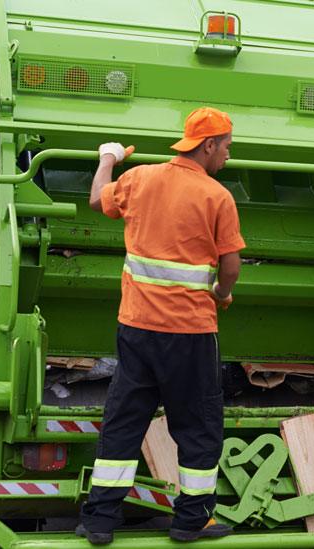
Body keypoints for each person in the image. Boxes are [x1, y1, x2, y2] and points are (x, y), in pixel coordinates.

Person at [76, 107, 244, 545]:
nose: (228, 155)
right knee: (198, 426)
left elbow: (97, 201)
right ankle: (191, 520)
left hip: (136, 328)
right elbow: (231, 267)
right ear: (208, 145)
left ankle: (99, 521)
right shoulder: (217, 197)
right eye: (227, 146)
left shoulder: (140, 178)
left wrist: (108, 159)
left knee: (124, 420)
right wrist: (222, 296)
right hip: (190, 334)